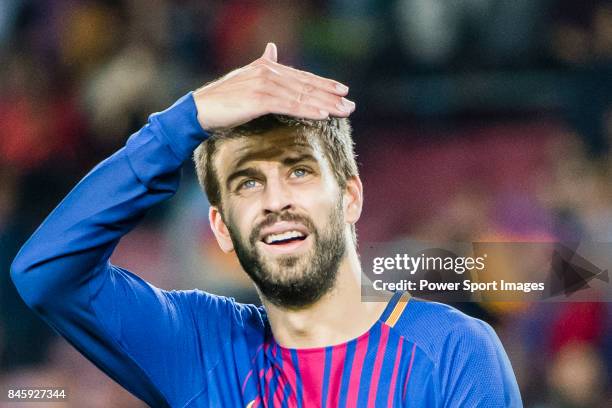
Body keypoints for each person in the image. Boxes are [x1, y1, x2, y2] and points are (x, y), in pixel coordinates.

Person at [10, 43, 522, 407]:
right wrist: (184, 120)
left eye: (299, 171)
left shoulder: (452, 352)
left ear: (350, 196)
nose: (276, 200)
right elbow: (46, 271)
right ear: (221, 227)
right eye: (248, 183)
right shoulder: (201, 346)